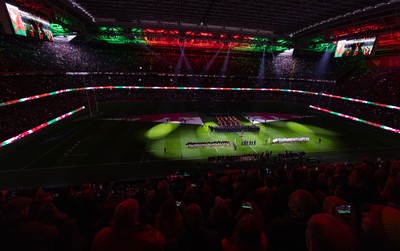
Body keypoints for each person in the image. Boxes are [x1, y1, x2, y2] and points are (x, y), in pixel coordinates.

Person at [91, 198, 165, 251]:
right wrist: (147, 228)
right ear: (135, 218)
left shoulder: (101, 235)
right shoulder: (146, 239)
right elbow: (161, 243)